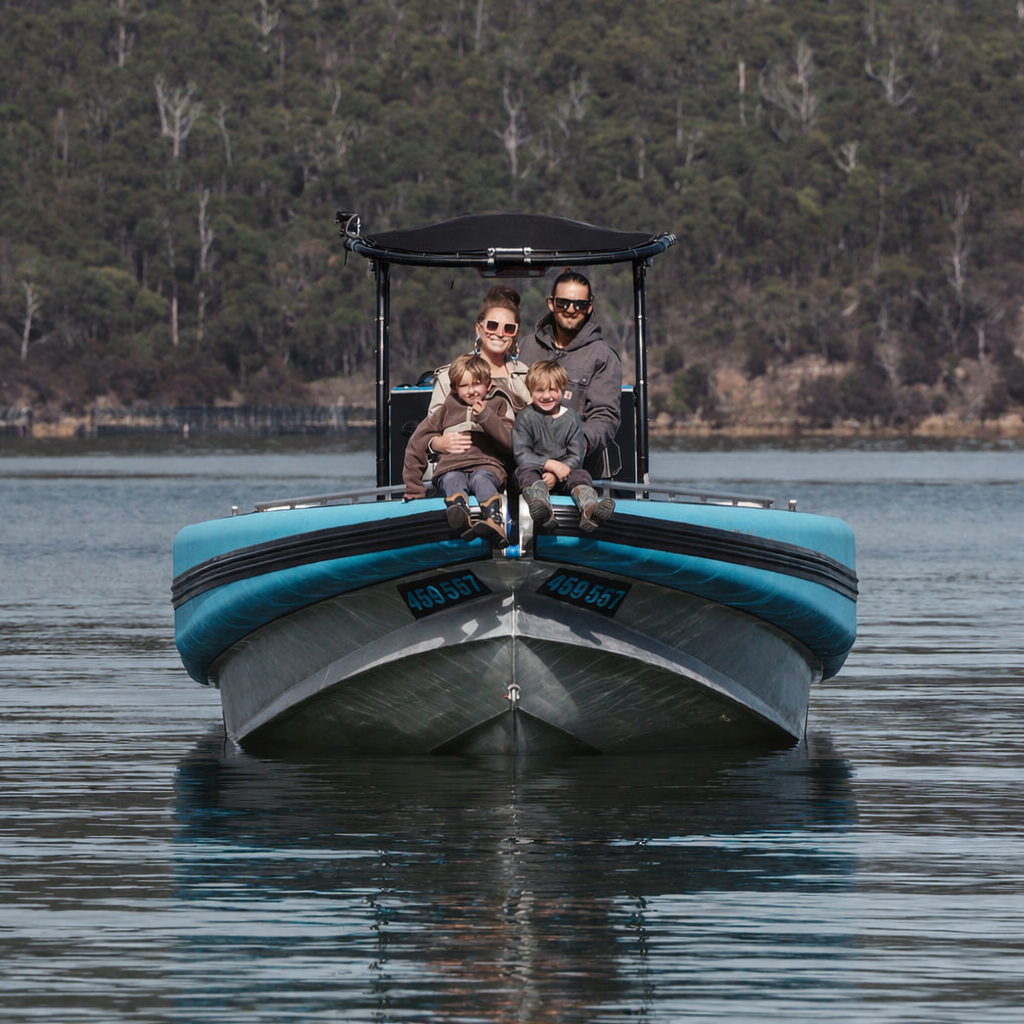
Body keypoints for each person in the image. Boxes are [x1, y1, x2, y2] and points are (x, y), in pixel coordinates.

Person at [516, 269, 622, 479]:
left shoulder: (603, 356)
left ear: (589, 306)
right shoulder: (526, 346)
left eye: (580, 304)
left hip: (577, 471)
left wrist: (578, 442)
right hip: (526, 466)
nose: (571, 310)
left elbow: (605, 417)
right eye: (563, 303)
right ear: (551, 303)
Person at [403, 353, 514, 546]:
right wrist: (414, 487)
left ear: (488, 385)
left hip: (486, 465)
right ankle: (459, 515)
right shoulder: (447, 408)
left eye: (477, 383)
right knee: (452, 479)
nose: (471, 391)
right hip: (451, 466)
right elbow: (417, 441)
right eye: (464, 385)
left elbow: (509, 443)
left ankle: (494, 521)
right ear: (454, 388)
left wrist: (485, 416)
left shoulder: (498, 403)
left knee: (482, 479)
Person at [513, 360, 615, 534]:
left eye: (552, 389)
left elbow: (576, 456)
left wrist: (557, 473)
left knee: (581, 474)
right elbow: (522, 454)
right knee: (525, 471)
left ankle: (589, 509)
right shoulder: (525, 417)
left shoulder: (572, 418)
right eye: (540, 390)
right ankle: (541, 507)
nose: (547, 396)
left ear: (561, 388)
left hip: (565, 472)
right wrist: (549, 465)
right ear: (531, 391)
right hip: (536, 472)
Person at [427, 285, 531, 424]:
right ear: (478, 329)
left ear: (515, 334)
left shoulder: (527, 376)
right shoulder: (449, 376)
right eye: (492, 326)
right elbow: (432, 427)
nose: (500, 334)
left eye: (509, 328)